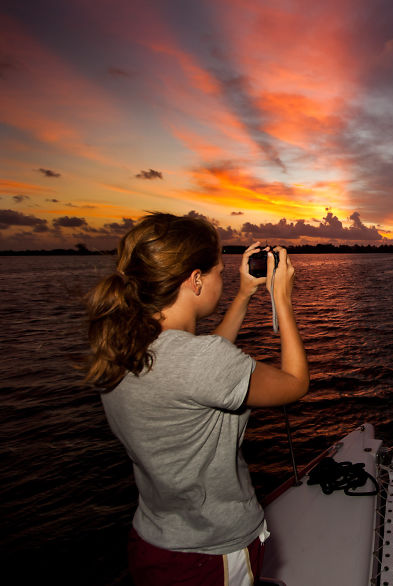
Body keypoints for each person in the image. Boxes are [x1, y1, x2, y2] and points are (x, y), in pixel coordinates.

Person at [84, 212, 308, 585]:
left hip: (154, 541)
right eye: (220, 271)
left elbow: (200, 365)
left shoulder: (122, 346)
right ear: (196, 280)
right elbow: (295, 383)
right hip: (211, 553)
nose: (224, 277)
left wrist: (243, 294)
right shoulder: (201, 361)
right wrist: (281, 299)